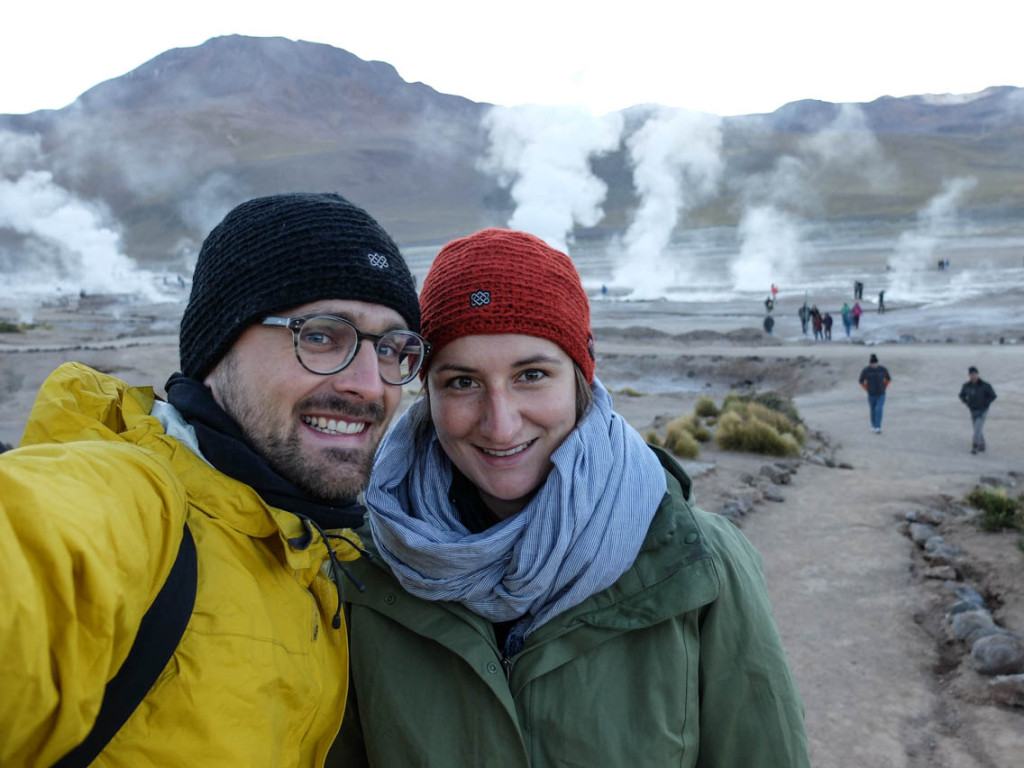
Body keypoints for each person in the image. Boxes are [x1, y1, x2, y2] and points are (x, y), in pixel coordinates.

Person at [330, 229, 810, 767]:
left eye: (531, 375)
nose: (501, 423)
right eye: (462, 382)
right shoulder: (360, 571)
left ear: (583, 377)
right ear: (428, 393)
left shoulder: (703, 563)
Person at [0, 193, 426, 766]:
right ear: (218, 350)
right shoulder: (133, 503)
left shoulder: (325, 553)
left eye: (392, 349)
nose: (370, 385)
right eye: (321, 336)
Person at [959, 366, 997, 454]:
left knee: (978, 428)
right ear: (969, 375)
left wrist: (986, 403)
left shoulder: (985, 385)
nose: (973, 376)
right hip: (973, 410)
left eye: (975, 374)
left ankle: (975, 446)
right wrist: (966, 402)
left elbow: (993, 396)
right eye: (971, 374)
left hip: (983, 410)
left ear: (977, 374)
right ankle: (982, 444)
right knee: (977, 428)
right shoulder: (966, 386)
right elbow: (961, 395)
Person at [858, 353, 892, 433]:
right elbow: (861, 381)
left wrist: (884, 387)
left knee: (879, 409)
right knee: (873, 410)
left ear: (877, 363)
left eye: (875, 363)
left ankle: (878, 427)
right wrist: (867, 388)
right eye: (873, 364)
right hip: (871, 394)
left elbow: (888, 379)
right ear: (870, 364)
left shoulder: (883, 369)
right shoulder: (866, 370)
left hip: (881, 393)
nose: (874, 365)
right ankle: (873, 425)